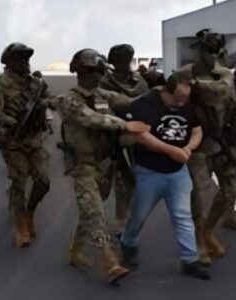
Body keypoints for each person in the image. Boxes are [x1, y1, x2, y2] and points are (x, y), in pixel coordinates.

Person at [51, 49, 149, 284]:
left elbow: (128, 101)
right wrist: (125, 125)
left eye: (97, 71)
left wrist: (158, 96)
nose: (93, 76)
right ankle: (110, 263)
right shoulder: (68, 99)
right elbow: (91, 118)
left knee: (90, 210)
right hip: (82, 165)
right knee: (94, 212)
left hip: (104, 164)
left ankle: (75, 250)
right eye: (88, 71)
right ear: (78, 71)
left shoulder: (102, 95)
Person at [120, 71, 210, 280]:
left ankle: (190, 260)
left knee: (183, 216)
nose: (183, 103)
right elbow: (141, 136)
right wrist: (171, 151)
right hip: (148, 172)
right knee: (138, 217)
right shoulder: (143, 105)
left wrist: (188, 148)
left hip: (178, 172)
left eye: (186, 98)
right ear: (166, 91)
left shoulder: (187, 104)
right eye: (179, 99)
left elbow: (196, 130)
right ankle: (128, 247)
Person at [182, 29, 236, 266]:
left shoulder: (225, 75)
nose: (213, 55)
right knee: (199, 196)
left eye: (216, 51)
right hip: (198, 144)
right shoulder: (187, 74)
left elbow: (234, 101)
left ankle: (209, 231)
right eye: (209, 51)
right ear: (201, 51)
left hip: (222, 142)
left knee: (230, 190)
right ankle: (198, 242)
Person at [0, 43, 50, 248]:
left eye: (26, 59)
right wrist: (11, 122)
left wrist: (46, 117)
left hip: (34, 140)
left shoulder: (36, 83)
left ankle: (29, 212)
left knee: (43, 181)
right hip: (12, 140)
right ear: (9, 62)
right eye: (20, 59)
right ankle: (20, 226)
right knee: (19, 181)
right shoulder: (1, 84)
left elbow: (46, 102)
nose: (25, 63)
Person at [99, 44, 149, 234]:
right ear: (114, 61)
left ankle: (121, 221)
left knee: (127, 182)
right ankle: (90, 225)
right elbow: (101, 110)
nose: (125, 63)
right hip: (110, 137)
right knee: (102, 186)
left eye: (128, 58)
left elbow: (148, 102)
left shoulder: (139, 80)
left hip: (136, 137)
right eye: (121, 59)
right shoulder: (104, 82)